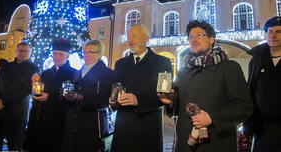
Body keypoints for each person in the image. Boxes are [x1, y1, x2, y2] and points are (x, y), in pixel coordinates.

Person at [159, 20, 253, 152]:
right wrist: (170, 102)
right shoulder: (183, 72)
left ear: (211, 39)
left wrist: (212, 118)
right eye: (191, 37)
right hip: (185, 145)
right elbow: (177, 108)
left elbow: (244, 106)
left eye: (199, 35)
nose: (194, 40)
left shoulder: (229, 68)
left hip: (217, 144)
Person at [110, 24, 172, 152]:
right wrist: (111, 101)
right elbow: (114, 90)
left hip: (148, 128)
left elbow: (164, 96)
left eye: (134, 36)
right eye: (128, 36)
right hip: (123, 127)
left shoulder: (162, 62)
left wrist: (139, 100)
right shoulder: (120, 64)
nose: (130, 40)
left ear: (146, 38)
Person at [24, 37, 76, 152]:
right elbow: (33, 90)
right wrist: (32, 81)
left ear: (67, 56)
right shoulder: (46, 72)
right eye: (55, 53)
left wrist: (50, 98)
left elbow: (71, 100)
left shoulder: (73, 74)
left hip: (56, 123)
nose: (57, 57)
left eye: (61, 54)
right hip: (39, 121)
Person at [61, 39, 113, 152]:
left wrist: (81, 97)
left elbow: (104, 101)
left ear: (99, 54)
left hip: (92, 127)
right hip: (73, 125)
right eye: (84, 52)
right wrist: (66, 96)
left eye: (91, 52)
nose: (86, 55)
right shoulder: (78, 72)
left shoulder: (106, 73)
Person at [0, 42, 39, 152]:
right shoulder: (6, 66)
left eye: (26, 51)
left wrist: (3, 101)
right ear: (16, 51)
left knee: (14, 147)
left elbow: (26, 91)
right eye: (21, 50)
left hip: (17, 114)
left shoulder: (34, 69)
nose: (23, 53)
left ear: (30, 53)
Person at [243, 16, 281, 151]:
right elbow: (251, 89)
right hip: (263, 130)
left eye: (279, 32)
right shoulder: (257, 60)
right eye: (270, 31)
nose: (273, 35)